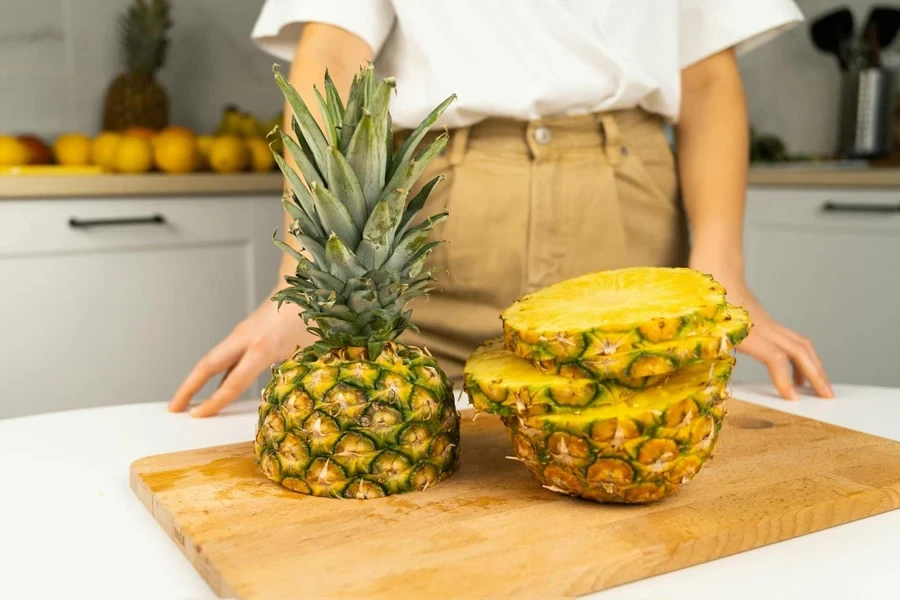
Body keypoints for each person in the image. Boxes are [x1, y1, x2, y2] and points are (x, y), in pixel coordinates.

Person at [170, 0, 832, 418]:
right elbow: (333, 53)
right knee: (405, 478)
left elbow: (707, 76)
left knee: (638, 482)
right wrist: (305, 275)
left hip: (626, 221)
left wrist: (723, 268)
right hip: (434, 230)